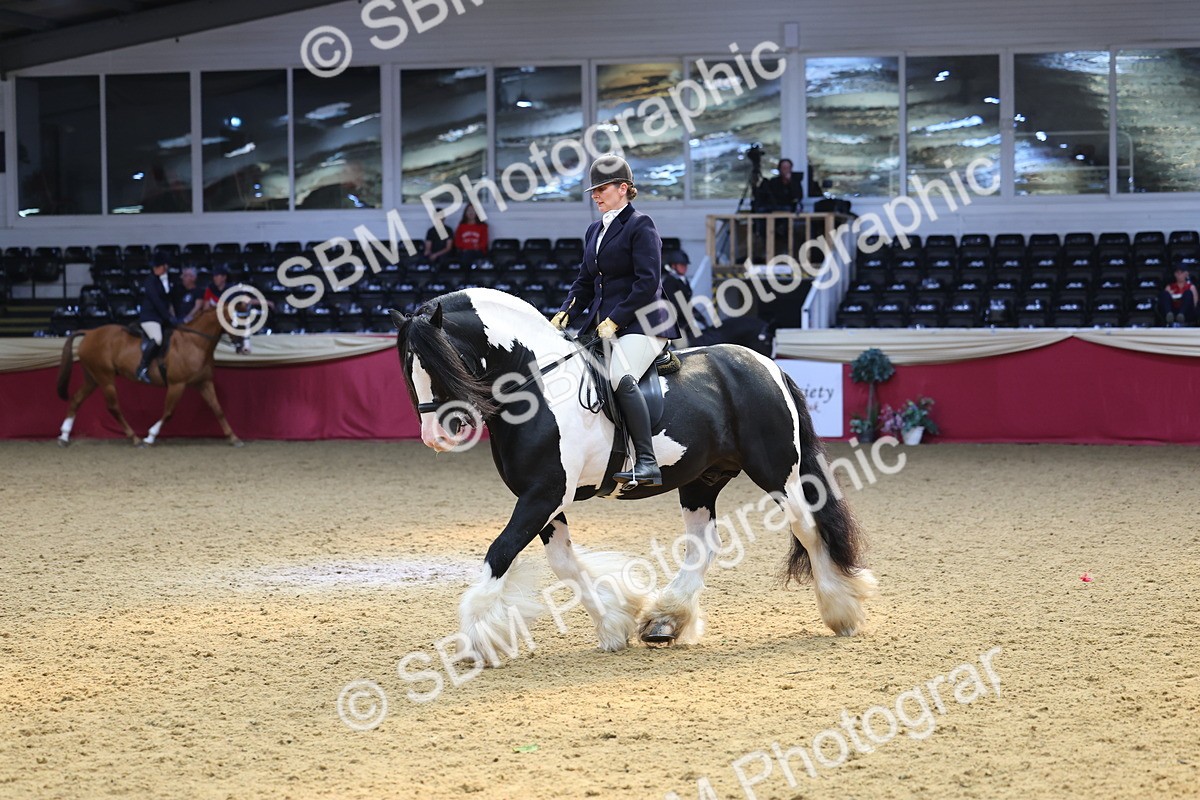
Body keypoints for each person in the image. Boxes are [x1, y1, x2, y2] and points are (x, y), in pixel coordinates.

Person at [551, 154, 680, 488]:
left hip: (645, 323)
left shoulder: (641, 225)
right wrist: (567, 311)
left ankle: (648, 461)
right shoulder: (595, 230)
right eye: (593, 190)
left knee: (620, 376)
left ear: (624, 189)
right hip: (602, 325)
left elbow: (647, 283)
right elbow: (584, 282)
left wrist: (615, 320)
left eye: (602, 188)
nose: (596, 195)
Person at [136, 258, 181, 383]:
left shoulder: (168, 280)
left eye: (159, 267)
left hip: (161, 317)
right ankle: (142, 368)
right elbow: (157, 302)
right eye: (155, 267)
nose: (156, 269)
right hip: (150, 317)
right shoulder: (150, 281)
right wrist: (168, 317)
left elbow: (171, 299)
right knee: (157, 339)